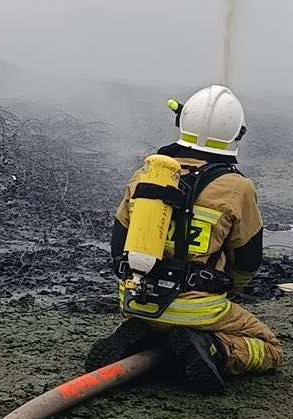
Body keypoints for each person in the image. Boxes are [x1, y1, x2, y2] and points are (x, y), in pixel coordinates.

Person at [84, 84, 281, 392]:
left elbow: (117, 247)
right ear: (236, 134)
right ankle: (216, 350)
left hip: (136, 300)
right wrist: (224, 290)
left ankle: (147, 337)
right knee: (269, 348)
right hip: (196, 310)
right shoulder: (237, 188)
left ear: (183, 122)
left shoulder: (146, 176)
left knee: (162, 325)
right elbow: (248, 261)